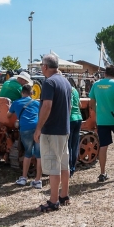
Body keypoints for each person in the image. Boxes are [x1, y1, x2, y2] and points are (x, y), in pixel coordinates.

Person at [33, 54, 72, 212]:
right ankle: (64, 195)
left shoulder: (49, 83)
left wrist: (38, 128)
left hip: (52, 131)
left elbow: (47, 106)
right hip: (64, 130)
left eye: (42, 65)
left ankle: (54, 201)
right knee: (64, 164)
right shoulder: (66, 82)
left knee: (53, 165)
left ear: (45, 67)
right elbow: (68, 107)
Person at [89, 64, 114, 182]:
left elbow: (92, 103)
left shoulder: (96, 85)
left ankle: (102, 173)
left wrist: (98, 114)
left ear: (105, 73)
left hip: (102, 120)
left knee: (103, 146)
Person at [9, 84, 42, 188]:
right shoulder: (36, 103)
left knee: (28, 153)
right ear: (31, 93)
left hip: (25, 129)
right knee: (39, 155)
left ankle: (23, 178)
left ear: (22, 93)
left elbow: (8, 115)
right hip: (37, 129)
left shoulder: (16, 103)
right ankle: (38, 180)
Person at [68, 86, 83, 177]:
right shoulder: (75, 90)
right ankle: (73, 167)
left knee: (68, 145)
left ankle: (69, 168)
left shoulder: (67, 90)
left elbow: (69, 106)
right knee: (75, 145)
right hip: (78, 118)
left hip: (70, 119)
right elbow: (80, 104)